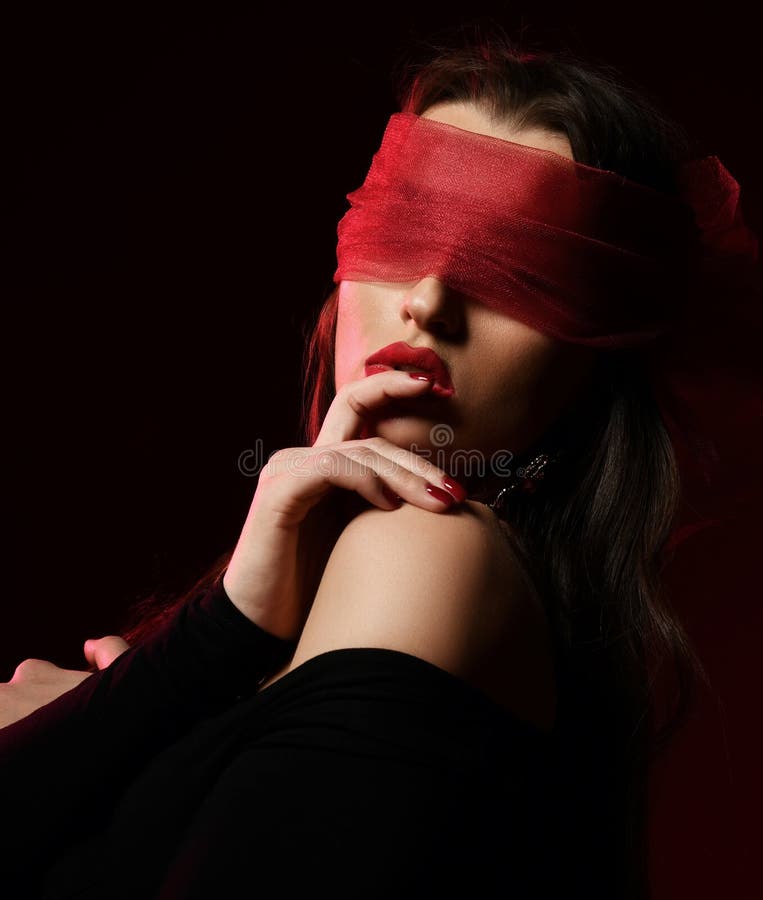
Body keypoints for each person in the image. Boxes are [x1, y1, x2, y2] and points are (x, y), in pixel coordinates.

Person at [1, 23, 760, 900]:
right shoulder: (337, 604)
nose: (429, 302)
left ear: (600, 355)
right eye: (404, 235)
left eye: (519, 270)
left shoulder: (430, 551)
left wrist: (78, 731)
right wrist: (206, 649)